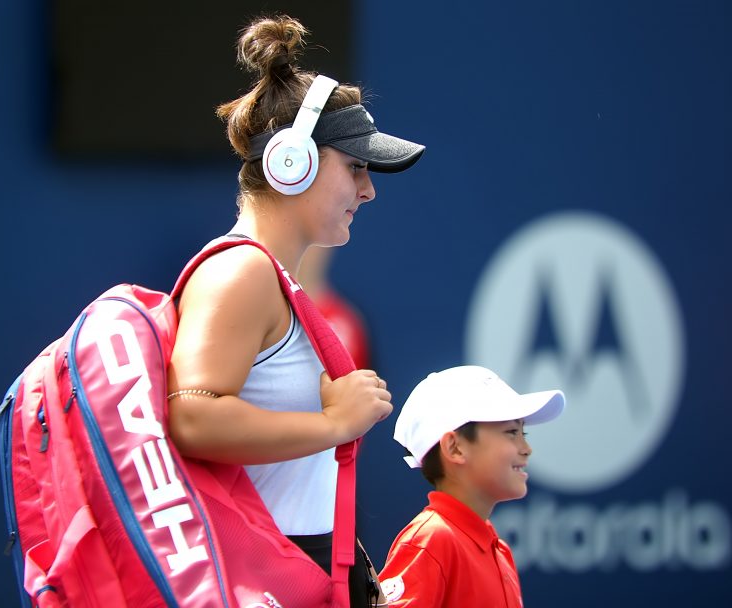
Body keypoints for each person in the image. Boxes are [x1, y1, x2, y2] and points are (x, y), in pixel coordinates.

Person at [164, 14, 425, 607]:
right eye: (355, 167)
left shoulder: (268, 277)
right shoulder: (242, 273)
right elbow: (193, 418)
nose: (369, 190)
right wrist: (334, 424)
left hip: (281, 574)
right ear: (293, 162)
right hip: (256, 578)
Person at [378, 365, 566, 607]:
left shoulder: (500, 550)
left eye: (524, 434)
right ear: (455, 448)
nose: (526, 449)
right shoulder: (430, 540)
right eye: (511, 432)